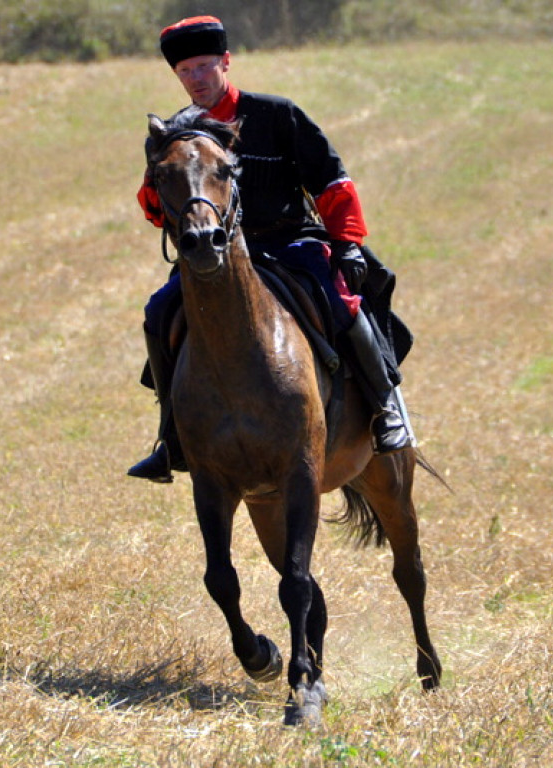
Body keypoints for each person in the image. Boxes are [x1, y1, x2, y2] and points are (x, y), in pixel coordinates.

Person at [128, 15, 411, 483]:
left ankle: (385, 409)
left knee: (344, 304)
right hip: (214, 255)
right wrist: (160, 179)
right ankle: (171, 435)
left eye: (204, 66)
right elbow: (156, 211)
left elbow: (333, 182)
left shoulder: (278, 114)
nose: (196, 79)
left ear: (225, 62)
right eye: (185, 71)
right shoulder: (174, 135)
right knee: (159, 311)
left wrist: (348, 243)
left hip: (290, 243)